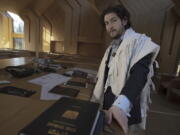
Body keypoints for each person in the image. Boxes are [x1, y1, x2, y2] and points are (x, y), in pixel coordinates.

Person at [91, 5, 160, 135]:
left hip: (125, 112)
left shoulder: (141, 42)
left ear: (124, 20)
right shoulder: (111, 48)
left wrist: (120, 106)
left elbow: (139, 76)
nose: (110, 26)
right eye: (106, 23)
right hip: (107, 109)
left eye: (113, 20)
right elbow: (107, 76)